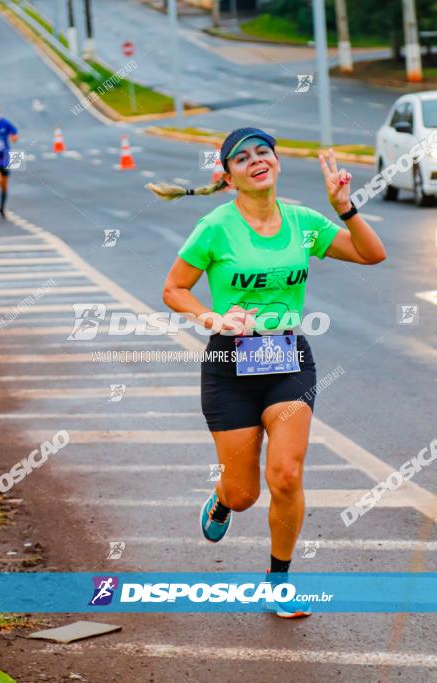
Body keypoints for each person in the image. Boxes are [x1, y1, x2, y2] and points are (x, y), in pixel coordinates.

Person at [147, 127, 386, 618]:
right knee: (243, 494)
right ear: (229, 176)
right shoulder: (216, 226)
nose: (256, 160)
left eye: (263, 152)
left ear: (275, 163)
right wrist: (212, 317)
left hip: (287, 360)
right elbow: (174, 289)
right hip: (228, 367)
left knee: (286, 475)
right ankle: (219, 499)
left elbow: (371, 253)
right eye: (242, 157)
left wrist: (345, 206)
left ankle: (278, 582)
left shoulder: (303, 222)